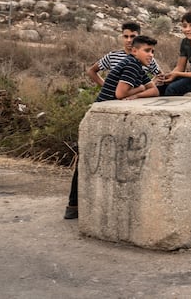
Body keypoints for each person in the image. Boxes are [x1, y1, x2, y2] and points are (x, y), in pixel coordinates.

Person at [65, 35, 160, 219]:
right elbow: (120, 93)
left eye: (153, 51)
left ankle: (81, 206)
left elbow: (154, 90)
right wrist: (140, 90)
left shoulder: (138, 66)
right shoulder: (131, 64)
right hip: (100, 117)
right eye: (147, 51)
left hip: (108, 117)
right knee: (88, 161)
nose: (151, 55)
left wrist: (139, 93)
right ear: (134, 51)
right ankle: (74, 205)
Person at [86, 21, 162, 87]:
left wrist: (150, 85)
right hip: (116, 100)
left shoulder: (145, 57)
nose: (129, 40)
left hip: (138, 99)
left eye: (132, 36)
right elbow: (92, 71)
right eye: (126, 36)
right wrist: (106, 86)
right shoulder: (112, 56)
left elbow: (160, 75)